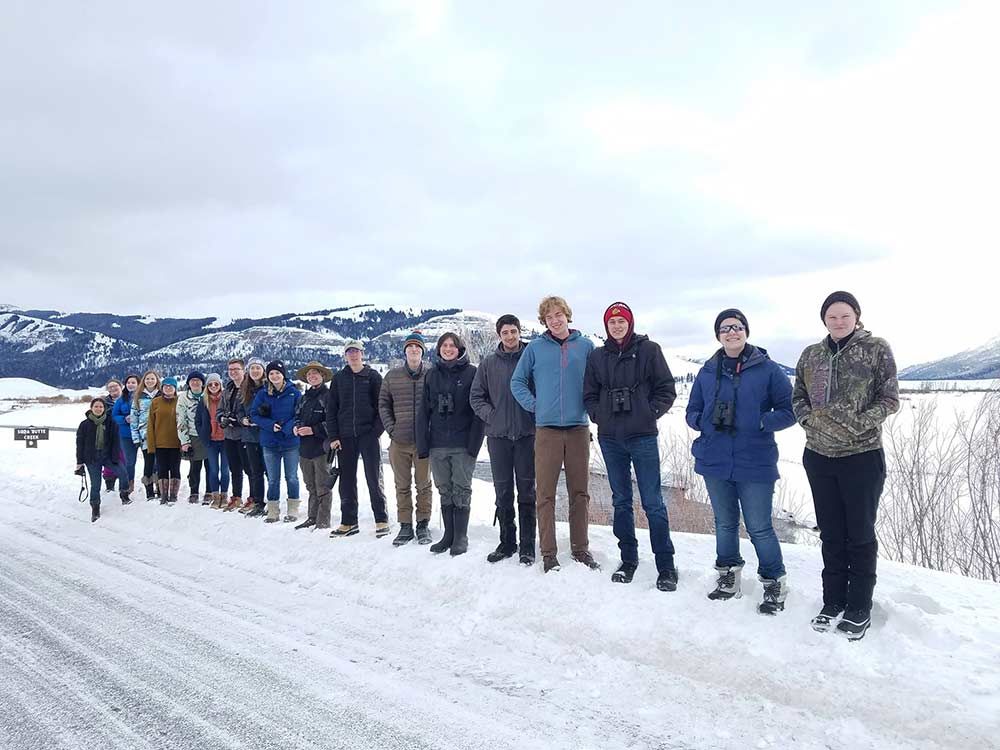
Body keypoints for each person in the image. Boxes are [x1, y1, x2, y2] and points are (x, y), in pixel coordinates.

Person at [793, 291, 899, 640]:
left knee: (860, 534)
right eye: (832, 317)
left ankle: (859, 607)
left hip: (861, 455)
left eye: (844, 315)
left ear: (856, 316)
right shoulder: (811, 355)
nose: (838, 322)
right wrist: (808, 421)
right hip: (819, 456)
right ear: (824, 319)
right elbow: (798, 396)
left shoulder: (875, 349)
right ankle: (833, 600)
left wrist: (859, 423)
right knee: (831, 532)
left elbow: (889, 398)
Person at [686, 309, 796, 615]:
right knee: (724, 522)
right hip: (714, 458)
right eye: (725, 328)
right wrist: (703, 421)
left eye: (736, 327)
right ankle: (728, 576)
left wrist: (761, 422)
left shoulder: (768, 369)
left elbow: (790, 409)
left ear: (746, 331)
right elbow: (692, 410)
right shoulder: (708, 371)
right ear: (718, 335)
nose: (731, 332)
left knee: (759, 527)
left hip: (755, 460)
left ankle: (774, 582)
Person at [584, 302, 679, 590]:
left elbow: (666, 389)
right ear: (606, 326)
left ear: (630, 323)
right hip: (611, 438)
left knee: (653, 502)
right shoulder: (598, 356)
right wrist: (599, 415)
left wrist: (647, 412)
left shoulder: (649, 351)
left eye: (621, 321)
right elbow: (588, 394)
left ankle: (666, 565)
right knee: (621, 501)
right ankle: (628, 559)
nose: (616, 326)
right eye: (611, 322)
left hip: (643, 436)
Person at [511, 295, 598, 573]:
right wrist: (535, 406)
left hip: (578, 429)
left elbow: (598, 382)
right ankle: (549, 553)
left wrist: (591, 407)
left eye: (559, 314)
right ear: (544, 321)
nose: (555, 320)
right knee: (545, 494)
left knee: (580, 492)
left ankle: (580, 549)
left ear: (567, 316)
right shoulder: (535, 349)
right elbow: (518, 381)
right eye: (549, 317)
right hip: (546, 430)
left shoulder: (586, 346)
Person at [470, 315, 537, 565]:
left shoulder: (531, 359)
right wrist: (492, 416)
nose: (510, 336)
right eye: (505, 332)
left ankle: (528, 546)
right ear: (499, 335)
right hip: (498, 437)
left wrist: (535, 414)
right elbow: (476, 397)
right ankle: (507, 542)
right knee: (503, 490)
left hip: (526, 435)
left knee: (527, 491)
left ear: (519, 332)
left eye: (513, 331)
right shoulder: (488, 364)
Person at [417, 332, 485, 556]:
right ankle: (448, 535)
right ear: (439, 349)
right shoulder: (431, 375)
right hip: (438, 443)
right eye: (444, 345)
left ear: (460, 349)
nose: (448, 349)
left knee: (461, 489)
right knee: (444, 489)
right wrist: (423, 443)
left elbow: (478, 411)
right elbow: (423, 411)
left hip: (463, 442)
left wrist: (474, 445)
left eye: (452, 345)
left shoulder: (472, 373)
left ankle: (460, 536)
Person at [325, 341, 389, 538]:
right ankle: (349, 522)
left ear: (362, 353)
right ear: (345, 355)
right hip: (344, 437)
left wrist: (375, 432)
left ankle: (381, 519)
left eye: (356, 352)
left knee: (373, 478)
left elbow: (383, 406)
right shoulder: (339, 379)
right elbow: (332, 410)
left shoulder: (372, 377)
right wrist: (334, 436)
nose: (353, 355)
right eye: (349, 352)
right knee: (346, 480)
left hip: (368, 435)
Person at [379, 332, 433, 546]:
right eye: (410, 347)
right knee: (401, 485)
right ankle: (405, 525)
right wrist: (392, 429)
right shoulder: (392, 376)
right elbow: (383, 404)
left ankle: (422, 524)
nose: (413, 350)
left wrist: (430, 430)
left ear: (422, 352)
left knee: (424, 485)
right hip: (398, 441)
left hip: (423, 442)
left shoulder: (431, 375)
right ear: (405, 351)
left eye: (417, 347)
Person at [250, 360, 301, 523]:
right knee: (273, 478)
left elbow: (299, 414)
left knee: (291, 477)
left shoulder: (294, 392)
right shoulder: (263, 394)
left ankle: (293, 507)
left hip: (290, 442)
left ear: (283, 375)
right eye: (271, 373)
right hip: (270, 442)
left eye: (277, 373)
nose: (274, 376)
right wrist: (270, 425)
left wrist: (286, 428)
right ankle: (273, 509)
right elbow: (254, 415)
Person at [292, 361, 332, 530]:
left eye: (315, 373)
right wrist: (295, 426)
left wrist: (313, 430)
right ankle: (312, 516)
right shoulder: (304, 398)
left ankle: (323, 520)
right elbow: (297, 416)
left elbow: (332, 422)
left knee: (323, 485)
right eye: (309, 374)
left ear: (322, 376)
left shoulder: (329, 396)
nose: (312, 376)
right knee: (310, 485)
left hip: (322, 448)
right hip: (304, 448)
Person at [76, 397, 127, 521]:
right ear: (91, 408)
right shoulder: (84, 424)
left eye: (101, 407)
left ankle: (124, 495)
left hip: (108, 456)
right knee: (96, 484)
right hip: (91, 458)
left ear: (104, 408)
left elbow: (116, 441)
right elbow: (80, 444)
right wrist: (79, 462)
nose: (98, 409)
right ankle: (95, 507)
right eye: (96, 406)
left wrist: (115, 456)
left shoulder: (111, 422)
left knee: (123, 473)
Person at [238, 358, 268, 517]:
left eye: (258, 368)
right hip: (249, 436)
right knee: (255, 472)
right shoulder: (245, 388)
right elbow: (239, 410)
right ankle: (258, 502)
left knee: (270, 472)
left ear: (263, 370)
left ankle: (272, 502)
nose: (255, 371)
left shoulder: (269, 388)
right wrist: (242, 419)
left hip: (266, 435)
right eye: (252, 368)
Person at [218, 359, 249, 511]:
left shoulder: (249, 389)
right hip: (229, 435)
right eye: (230, 369)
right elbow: (219, 410)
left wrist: (237, 420)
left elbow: (249, 411)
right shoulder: (227, 390)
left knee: (250, 469)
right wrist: (221, 419)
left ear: (243, 370)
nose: (233, 372)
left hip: (245, 435)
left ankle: (254, 498)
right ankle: (236, 497)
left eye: (236, 369)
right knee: (234, 468)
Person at [197, 373, 231, 508]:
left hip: (225, 439)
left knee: (225, 469)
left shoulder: (226, 398)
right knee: (213, 469)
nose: (213, 386)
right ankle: (215, 496)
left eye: (216, 384)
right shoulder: (203, 401)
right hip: (211, 440)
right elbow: (198, 421)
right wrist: (202, 435)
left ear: (220, 385)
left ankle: (224, 495)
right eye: (210, 384)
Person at [147, 376, 182, 503]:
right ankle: (163, 495)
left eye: (171, 386)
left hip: (176, 442)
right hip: (160, 443)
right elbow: (150, 424)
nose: (168, 388)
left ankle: (173, 495)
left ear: (175, 388)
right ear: (162, 388)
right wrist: (151, 444)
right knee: (162, 469)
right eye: (165, 386)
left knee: (175, 468)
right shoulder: (155, 402)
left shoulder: (180, 401)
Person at [176, 371, 209, 503]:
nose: (195, 383)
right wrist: (184, 441)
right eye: (192, 380)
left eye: (198, 380)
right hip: (193, 435)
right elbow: (181, 419)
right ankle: (194, 491)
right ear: (188, 383)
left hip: (209, 435)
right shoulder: (184, 397)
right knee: (195, 466)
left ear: (202, 382)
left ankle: (210, 491)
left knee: (210, 466)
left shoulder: (208, 395)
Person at [130, 370, 161, 500]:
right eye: (147, 379)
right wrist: (136, 437)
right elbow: (134, 417)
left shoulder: (162, 394)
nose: (150, 381)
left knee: (160, 463)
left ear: (157, 380)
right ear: (144, 381)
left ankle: (160, 488)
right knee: (148, 463)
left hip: (161, 434)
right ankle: (149, 491)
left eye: (152, 379)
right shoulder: (139, 396)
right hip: (145, 435)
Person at [112, 373, 141, 498]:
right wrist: (124, 419)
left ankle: (154, 485)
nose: (131, 385)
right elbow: (114, 416)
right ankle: (128, 484)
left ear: (139, 384)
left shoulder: (144, 397)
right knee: (129, 461)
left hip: (143, 433)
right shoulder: (121, 400)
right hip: (126, 435)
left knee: (153, 461)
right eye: (128, 382)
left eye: (133, 382)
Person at [102, 380, 128, 493]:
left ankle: (125, 484)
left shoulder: (128, 400)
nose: (113, 389)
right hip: (109, 435)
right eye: (110, 387)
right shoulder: (104, 402)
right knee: (109, 459)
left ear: (121, 386)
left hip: (125, 433)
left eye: (115, 386)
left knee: (125, 458)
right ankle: (109, 483)